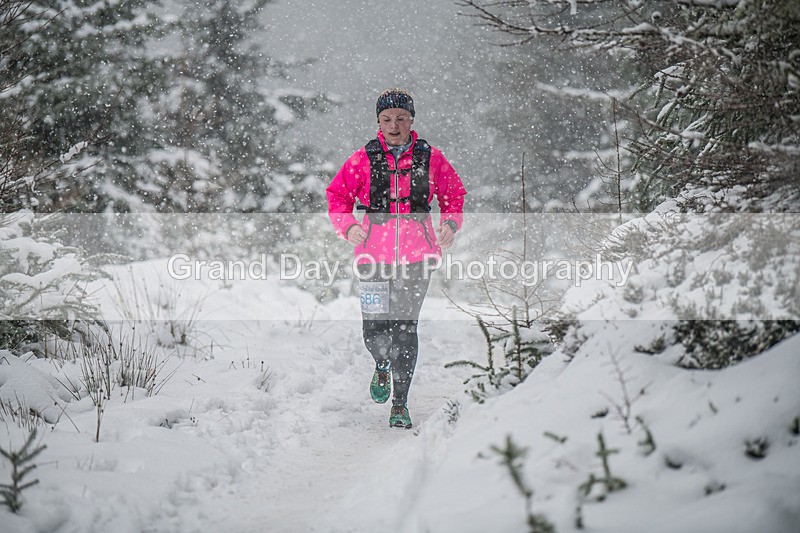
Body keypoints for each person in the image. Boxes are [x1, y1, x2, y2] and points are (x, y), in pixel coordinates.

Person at [326, 88, 466, 429]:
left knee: (406, 329)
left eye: (400, 118)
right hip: (373, 256)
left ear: (411, 121)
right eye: (387, 119)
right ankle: (381, 363)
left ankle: (400, 404)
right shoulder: (364, 158)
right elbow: (337, 196)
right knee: (374, 329)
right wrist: (348, 227)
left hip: (418, 257)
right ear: (378, 122)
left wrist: (449, 223)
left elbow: (453, 194)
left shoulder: (430, 158)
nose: (394, 125)